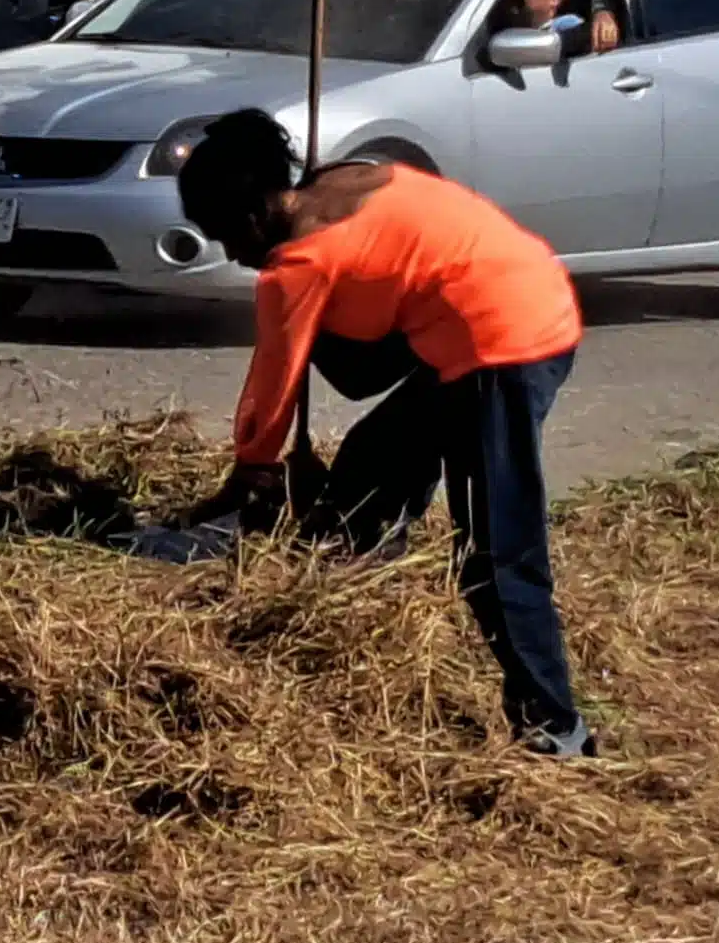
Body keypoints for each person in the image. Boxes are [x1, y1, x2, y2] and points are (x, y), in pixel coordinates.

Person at [149, 112, 594, 758]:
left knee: (496, 554)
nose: (230, 256)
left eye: (224, 237)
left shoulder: (297, 264)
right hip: (504, 301)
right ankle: (359, 612)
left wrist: (248, 479)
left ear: (250, 218)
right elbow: (348, 365)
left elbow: (270, 391)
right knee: (366, 470)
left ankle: (555, 728)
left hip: (501, 343)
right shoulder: (346, 178)